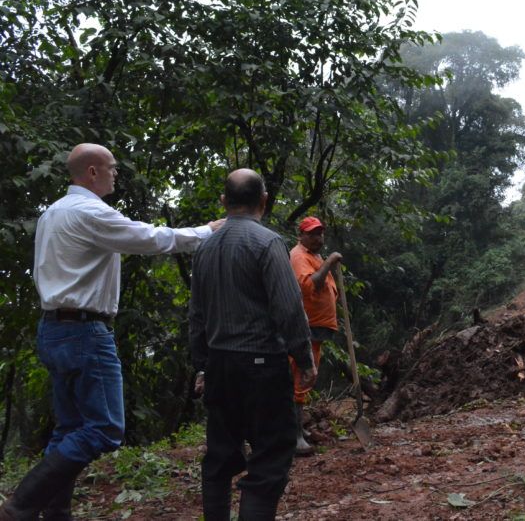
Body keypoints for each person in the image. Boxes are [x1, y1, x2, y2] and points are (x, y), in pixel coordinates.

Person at [0, 143, 222, 521]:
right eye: (112, 167)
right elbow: (150, 238)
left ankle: (55, 514)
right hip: (84, 332)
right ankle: (20, 506)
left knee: (69, 428)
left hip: (54, 328)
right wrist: (206, 231)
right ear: (92, 172)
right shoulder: (89, 212)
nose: (116, 173)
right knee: (104, 429)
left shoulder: (53, 212)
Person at [189, 169, 316, 521]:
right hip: (262, 365)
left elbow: (196, 315)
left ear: (223, 201)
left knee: (219, 457)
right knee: (270, 456)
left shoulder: (205, 248)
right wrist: (304, 358)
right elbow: (288, 308)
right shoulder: (267, 243)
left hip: (219, 365)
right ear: (263, 200)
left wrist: (202, 366)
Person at [288, 216, 342, 456]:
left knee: (305, 379)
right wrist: (330, 261)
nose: (318, 238)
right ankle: (295, 436)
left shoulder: (314, 257)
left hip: (317, 328)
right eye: (312, 234)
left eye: (320, 233)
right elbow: (310, 286)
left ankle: (297, 429)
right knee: (299, 379)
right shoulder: (299, 256)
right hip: (304, 328)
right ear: (301, 235)